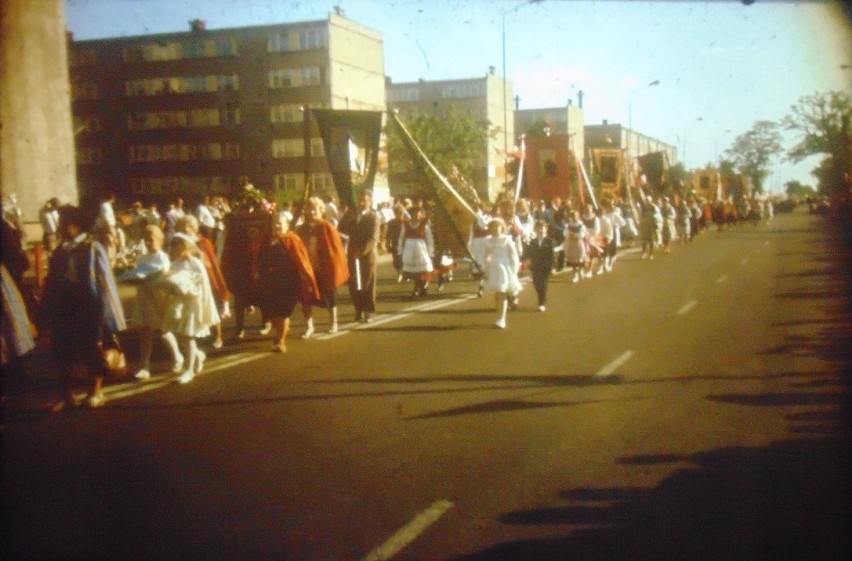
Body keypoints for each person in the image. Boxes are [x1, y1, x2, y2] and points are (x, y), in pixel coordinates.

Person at [39, 205, 127, 408]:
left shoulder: (92, 247)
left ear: (76, 225)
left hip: (87, 305)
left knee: (93, 349)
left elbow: (104, 283)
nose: (60, 227)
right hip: (63, 305)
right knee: (60, 350)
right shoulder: (61, 249)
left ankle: (95, 391)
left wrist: (108, 314)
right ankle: (66, 395)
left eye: (64, 223)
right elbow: (52, 280)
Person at [118, 225, 182, 380]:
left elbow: (164, 277)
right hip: (144, 297)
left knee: (163, 331)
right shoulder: (142, 258)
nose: (148, 242)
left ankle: (177, 357)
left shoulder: (162, 257)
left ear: (159, 240)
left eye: (151, 239)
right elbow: (138, 274)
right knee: (145, 333)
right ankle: (144, 366)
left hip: (157, 297)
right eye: (145, 239)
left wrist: (150, 278)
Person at [161, 235, 219, 384]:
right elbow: (170, 283)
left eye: (175, 246)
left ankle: (189, 370)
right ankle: (198, 355)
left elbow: (202, 287)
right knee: (180, 335)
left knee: (188, 336)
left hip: (193, 304)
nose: (172, 249)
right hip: (179, 304)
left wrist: (188, 288)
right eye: (171, 246)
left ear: (184, 247)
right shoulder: (174, 264)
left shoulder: (195, 264)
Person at [257, 214, 320, 352]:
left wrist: (307, 280)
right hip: (269, 282)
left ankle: (281, 341)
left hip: (288, 282)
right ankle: (282, 330)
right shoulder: (267, 239)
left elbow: (302, 261)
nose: (277, 226)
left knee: (283, 312)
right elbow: (260, 258)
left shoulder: (292, 239)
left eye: (280, 223)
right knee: (270, 313)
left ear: (287, 225)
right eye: (275, 223)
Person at [174, 215, 231, 349]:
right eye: (182, 226)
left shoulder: (203, 242)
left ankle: (218, 336)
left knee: (212, 308)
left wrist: (195, 252)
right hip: (187, 280)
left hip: (205, 280)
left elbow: (209, 263)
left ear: (194, 227)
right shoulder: (179, 242)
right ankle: (197, 337)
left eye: (187, 226)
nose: (184, 228)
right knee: (192, 309)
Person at [295, 196, 349, 338]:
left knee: (331, 296)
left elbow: (336, 249)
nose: (311, 211)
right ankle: (309, 326)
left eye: (315, 209)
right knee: (306, 299)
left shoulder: (327, 226)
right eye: (309, 208)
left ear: (320, 210)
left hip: (324, 268)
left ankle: (334, 323)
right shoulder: (301, 228)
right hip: (308, 269)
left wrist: (333, 267)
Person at [340, 189, 380, 323]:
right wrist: (347, 219)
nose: (362, 202)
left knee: (368, 283)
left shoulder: (373, 216)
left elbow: (374, 237)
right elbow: (341, 229)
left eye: (366, 200)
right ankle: (359, 309)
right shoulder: (351, 215)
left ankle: (369, 311)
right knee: (354, 284)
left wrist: (362, 251)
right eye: (360, 199)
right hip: (352, 254)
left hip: (367, 255)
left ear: (370, 201)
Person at [482, 218, 522, 329]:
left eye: (497, 226)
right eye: (493, 226)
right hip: (494, 269)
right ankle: (499, 316)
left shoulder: (507, 240)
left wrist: (514, 269)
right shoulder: (488, 241)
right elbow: (487, 255)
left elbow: (513, 255)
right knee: (498, 293)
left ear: (502, 228)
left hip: (505, 268)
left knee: (502, 292)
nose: (495, 229)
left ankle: (502, 319)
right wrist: (486, 264)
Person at [398, 205, 434, 297]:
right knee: (415, 272)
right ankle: (418, 288)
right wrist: (400, 250)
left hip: (421, 249)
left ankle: (423, 287)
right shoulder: (406, 224)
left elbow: (429, 239)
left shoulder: (424, 225)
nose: (417, 216)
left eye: (419, 214)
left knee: (424, 269)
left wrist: (430, 251)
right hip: (409, 249)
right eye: (415, 214)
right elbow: (401, 238)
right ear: (411, 214)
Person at [522, 220, 556, 312]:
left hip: (546, 266)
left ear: (546, 229)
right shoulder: (533, 241)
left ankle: (541, 303)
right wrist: (526, 260)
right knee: (536, 284)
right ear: (535, 230)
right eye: (538, 228)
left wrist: (552, 267)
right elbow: (528, 252)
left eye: (542, 228)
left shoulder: (550, 241)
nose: (540, 230)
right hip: (535, 266)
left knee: (543, 285)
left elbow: (552, 255)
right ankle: (540, 296)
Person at [563, 210, 588, 283]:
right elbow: (565, 233)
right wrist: (569, 235)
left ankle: (581, 270)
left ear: (578, 216)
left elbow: (582, 235)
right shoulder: (568, 225)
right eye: (572, 216)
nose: (574, 218)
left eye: (575, 216)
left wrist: (574, 235)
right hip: (571, 243)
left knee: (580, 257)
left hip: (578, 243)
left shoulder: (581, 225)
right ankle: (575, 275)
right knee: (573, 260)